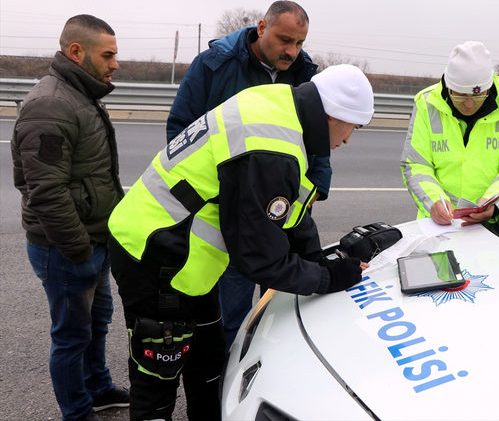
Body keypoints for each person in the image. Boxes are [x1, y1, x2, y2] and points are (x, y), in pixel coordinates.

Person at [107, 64, 374, 421]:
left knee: (209, 364)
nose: (346, 140)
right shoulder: (271, 149)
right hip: (155, 254)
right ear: (332, 116)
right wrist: (328, 278)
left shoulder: (280, 104)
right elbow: (260, 259)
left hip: (186, 261)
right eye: (351, 128)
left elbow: (288, 208)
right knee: (157, 384)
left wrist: (318, 259)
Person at [166, 0, 323, 350]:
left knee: (281, 304)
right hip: (232, 212)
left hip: (283, 209)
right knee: (231, 308)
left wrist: (318, 189)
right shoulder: (214, 66)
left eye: (299, 43)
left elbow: (316, 141)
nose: (291, 51)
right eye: (284, 40)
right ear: (261, 27)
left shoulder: (303, 74)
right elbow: (181, 131)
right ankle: (226, 376)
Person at [10, 14, 129, 421]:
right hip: (66, 248)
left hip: (92, 241)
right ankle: (77, 412)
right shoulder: (51, 104)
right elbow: (45, 189)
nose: (115, 63)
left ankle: (98, 389)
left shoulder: (81, 94)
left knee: (96, 325)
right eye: (108, 55)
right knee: (71, 337)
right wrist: (78, 248)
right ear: (76, 52)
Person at [401, 40, 499, 226]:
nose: (469, 104)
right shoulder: (426, 103)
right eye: (460, 95)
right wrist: (433, 201)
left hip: (494, 222)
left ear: (488, 88)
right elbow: (416, 164)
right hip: (440, 225)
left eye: (477, 96)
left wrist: (495, 202)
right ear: (448, 87)